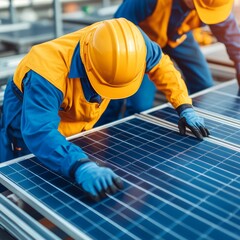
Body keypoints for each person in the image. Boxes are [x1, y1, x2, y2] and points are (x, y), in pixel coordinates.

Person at [0, 18, 209, 202]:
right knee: (29, 168)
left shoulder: (131, 45)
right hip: (28, 112)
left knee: (69, 154)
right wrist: (79, 166)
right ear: (89, 66)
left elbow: (161, 65)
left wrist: (183, 105)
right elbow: (40, 132)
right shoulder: (45, 73)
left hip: (76, 115)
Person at [96, 0, 240, 126]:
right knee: (141, 106)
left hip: (179, 37)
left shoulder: (215, 7)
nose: (197, 11)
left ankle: (192, 121)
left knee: (205, 85)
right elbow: (120, 26)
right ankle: (123, 134)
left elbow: (234, 42)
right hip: (143, 44)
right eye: (197, 6)